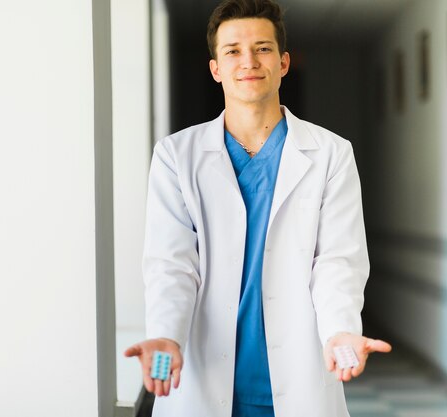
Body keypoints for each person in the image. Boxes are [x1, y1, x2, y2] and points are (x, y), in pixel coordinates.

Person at [125, 0, 392, 416]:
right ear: (215, 68)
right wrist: (164, 336)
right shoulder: (177, 156)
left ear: (284, 62)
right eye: (232, 50)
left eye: (263, 48)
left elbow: (338, 260)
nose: (248, 61)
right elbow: (170, 264)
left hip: (298, 378)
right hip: (203, 377)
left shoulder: (330, 154)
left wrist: (341, 330)